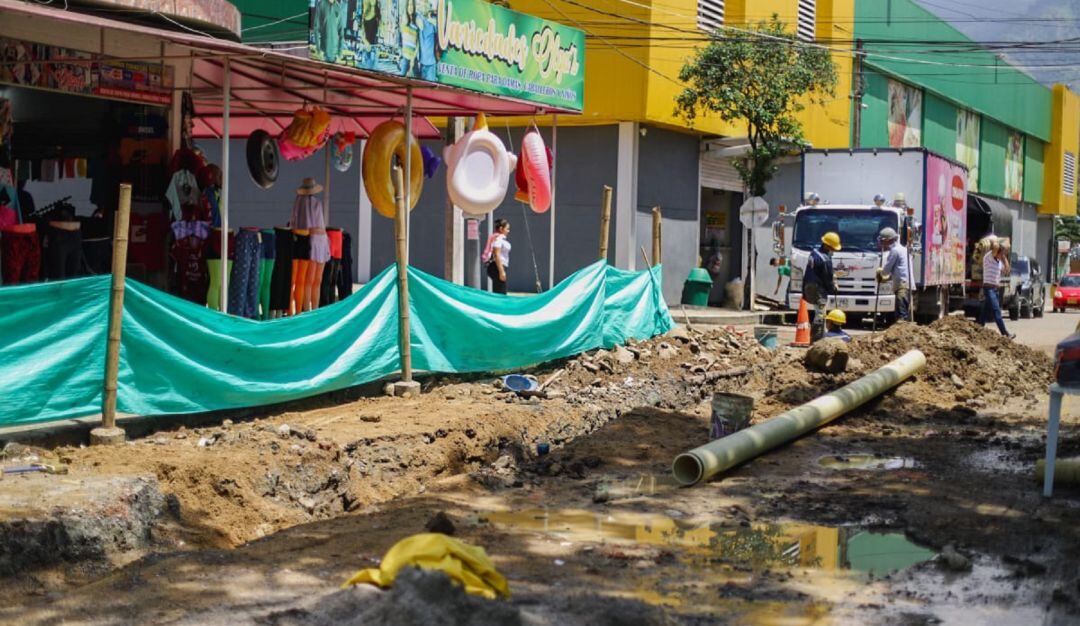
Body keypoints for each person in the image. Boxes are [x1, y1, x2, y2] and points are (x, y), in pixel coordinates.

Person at [802, 232, 840, 342]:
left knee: (818, 312)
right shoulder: (825, 260)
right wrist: (833, 288)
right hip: (819, 289)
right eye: (833, 248)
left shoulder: (813, 253)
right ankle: (816, 339)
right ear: (827, 245)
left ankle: (818, 337)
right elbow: (827, 279)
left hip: (808, 285)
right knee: (820, 314)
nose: (834, 251)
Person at [979, 238, 1015, 339]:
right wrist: (1003, 252)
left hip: (995, 289)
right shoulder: (989, 257)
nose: (1002, 255)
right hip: (989, 289)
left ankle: (978, 328)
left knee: (984, 312)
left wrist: (1006, 263)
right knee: (996, 311)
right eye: (1002, 253)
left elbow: (1006, 270)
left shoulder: (998, 262)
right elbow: (996, 247)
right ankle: (1005, 333)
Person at [876, 227, 912, 322]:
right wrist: (887, 278)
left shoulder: (895, 251)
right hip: (906, 283)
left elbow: (887, 270)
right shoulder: (903, 249)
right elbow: (898, 269)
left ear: (889, 240)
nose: (882, 243)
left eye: (883, 241)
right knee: (903, 309)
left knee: (901, 312)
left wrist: (880, 273)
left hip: (902, 284)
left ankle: (902, 330)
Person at [482, 218, 511, 295]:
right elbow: (496, 255)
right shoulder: (498, 239)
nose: (508, 231)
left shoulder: (501, 239)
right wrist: (501, 271)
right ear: (501, 229)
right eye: (507, 229)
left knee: (500, 291)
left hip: (498, 267)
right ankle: (501, 306)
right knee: (501, 293)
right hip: (497, 267)